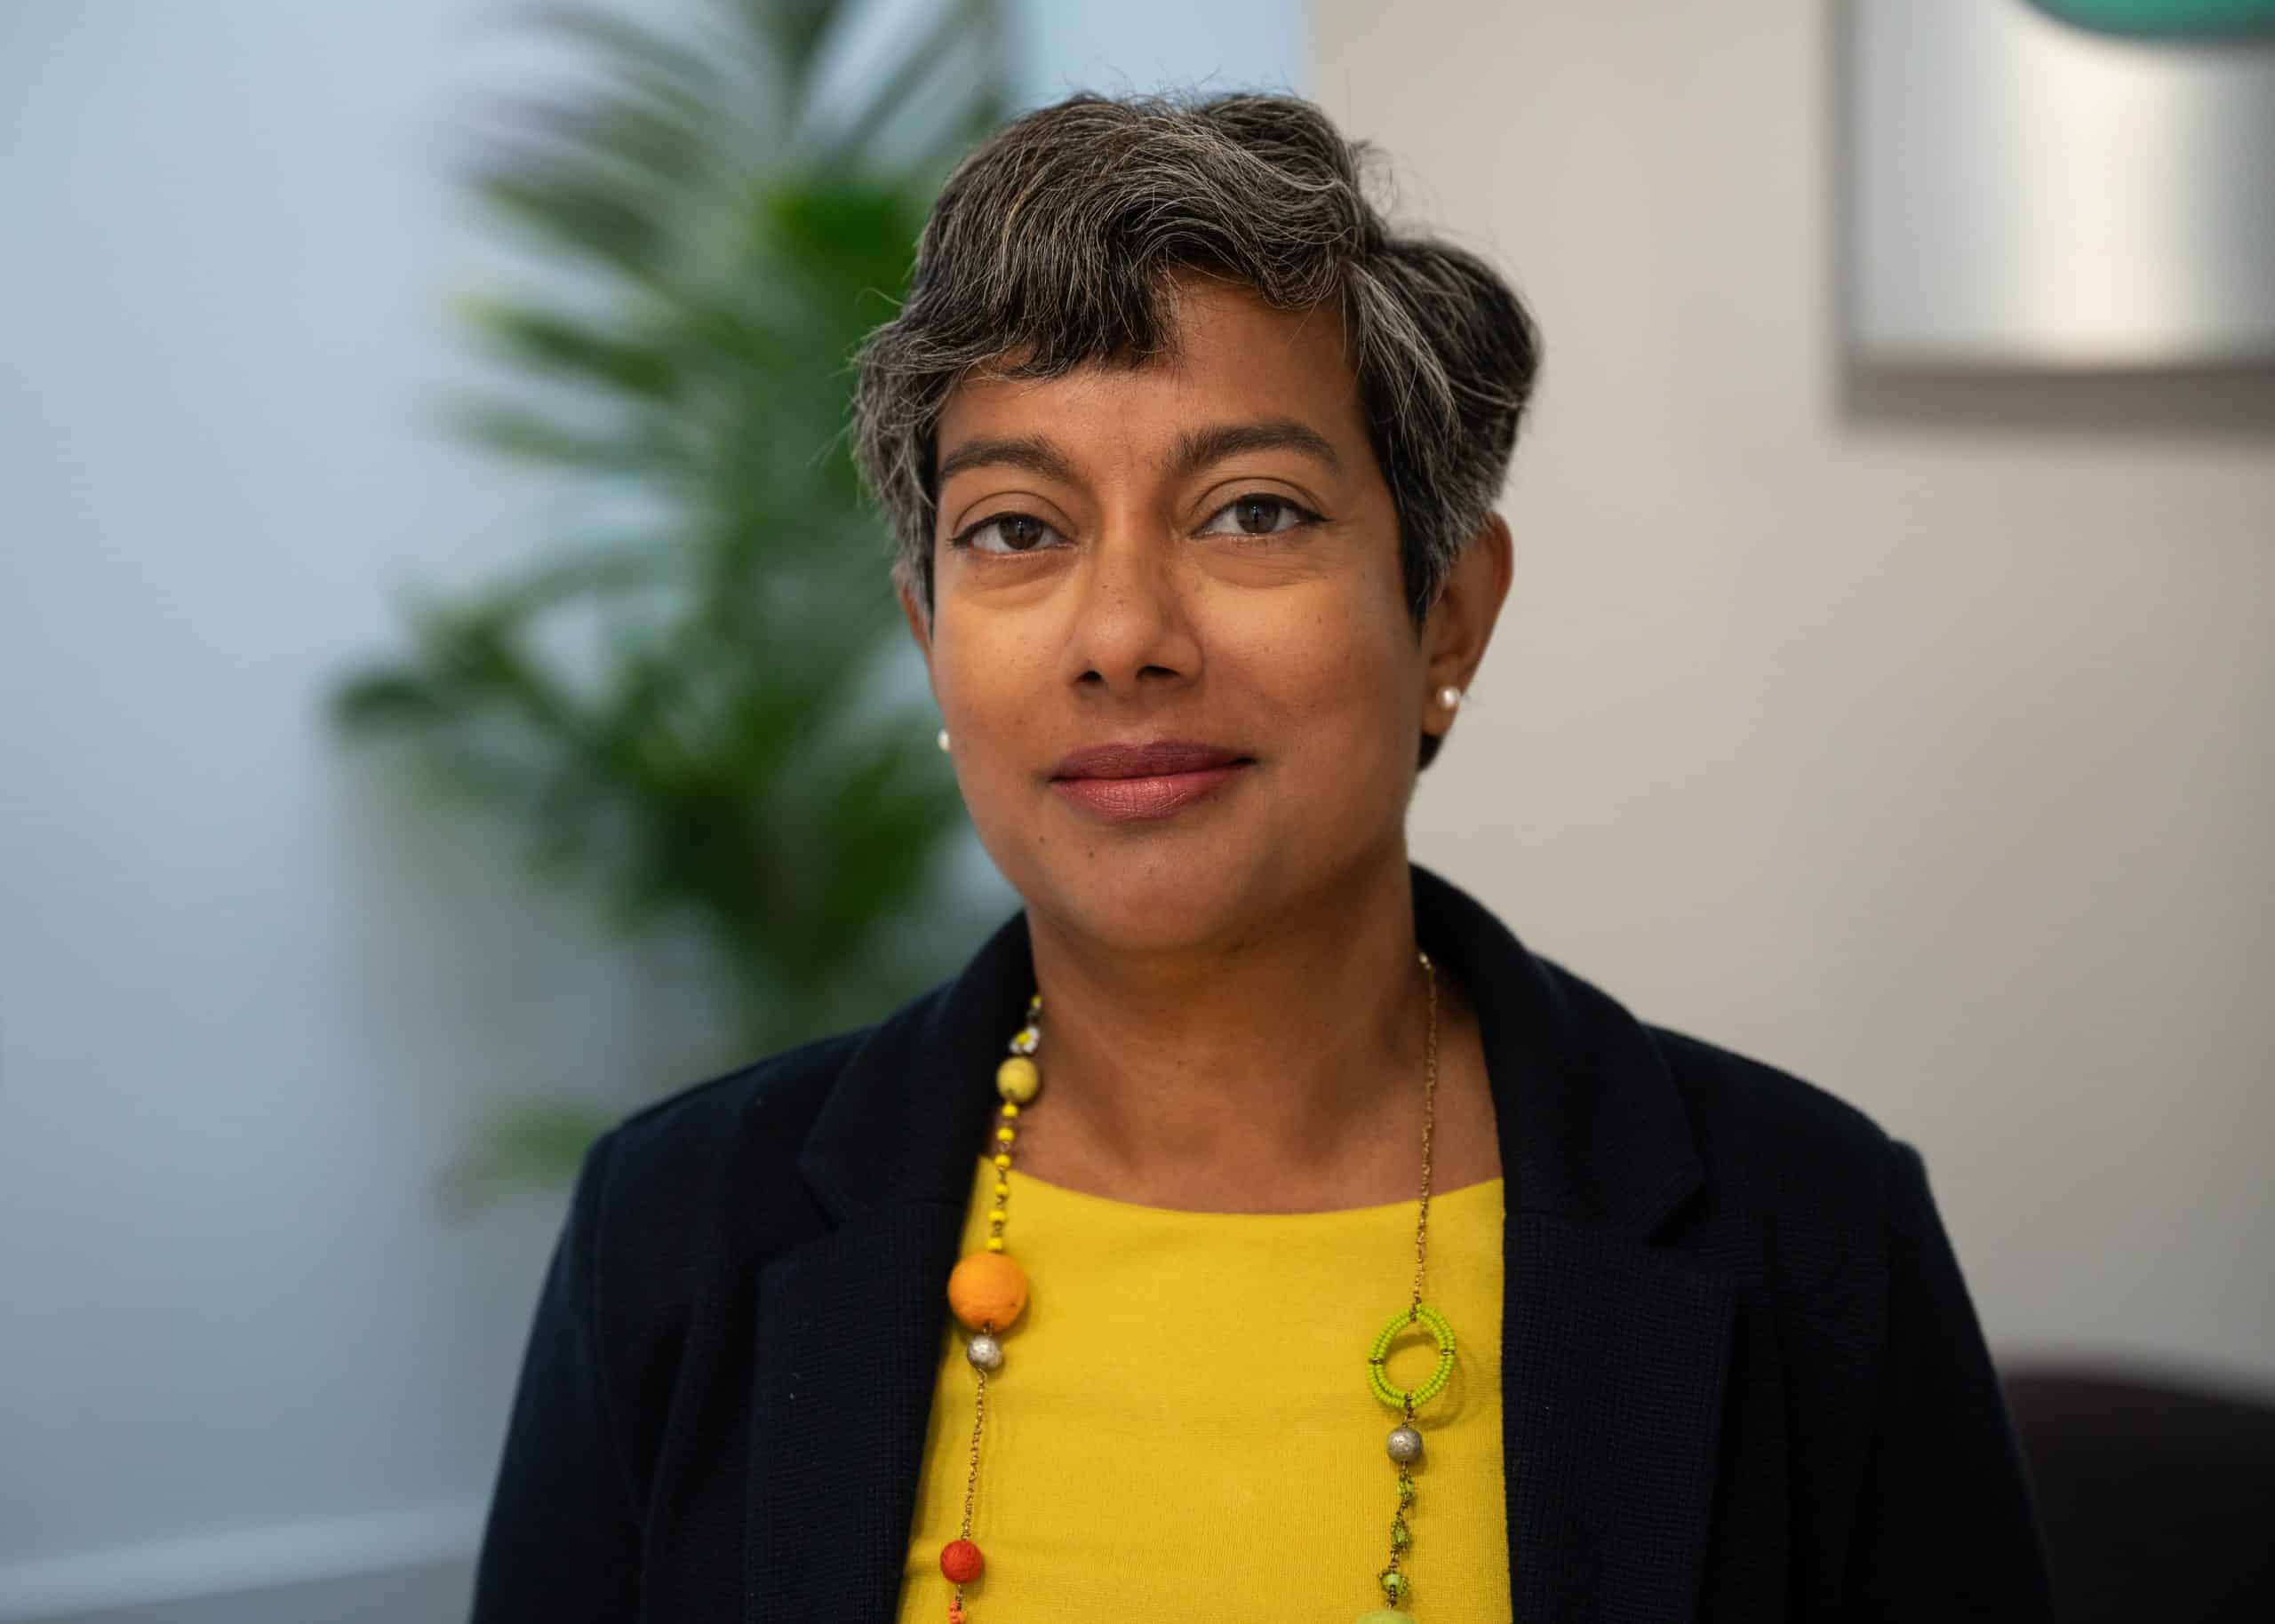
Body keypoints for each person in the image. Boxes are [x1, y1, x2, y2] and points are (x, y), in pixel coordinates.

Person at [468, 92, 2054, 1623]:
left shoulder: (1814, 1235)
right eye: (1016, 529)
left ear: (1448, 613)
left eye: (1251, 512)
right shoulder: (672, 1239)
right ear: (928, 633)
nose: (1123, 639)